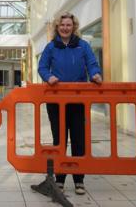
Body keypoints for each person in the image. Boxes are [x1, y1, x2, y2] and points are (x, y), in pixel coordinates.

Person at [38, 12, 102, 195]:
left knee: (78, 140)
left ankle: (79, 180)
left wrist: (95, 74)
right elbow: (42, 67)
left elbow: (92, 63)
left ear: (73, 27)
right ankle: (59, 179)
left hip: (77, 100)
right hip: (56, 101)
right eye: (62, 25)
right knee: (59, 140)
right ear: (57, 27)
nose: (65, 28)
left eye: (68, 25)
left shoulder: (83, 46)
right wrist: (48, 76)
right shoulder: (51, 47)